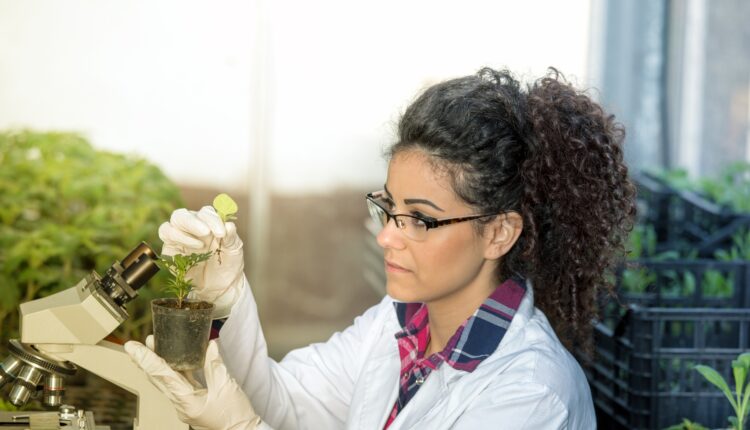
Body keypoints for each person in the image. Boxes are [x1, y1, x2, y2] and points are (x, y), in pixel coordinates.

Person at [124, 67, 636, 429]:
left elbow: (252, 416)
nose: (387, 235)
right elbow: (287, 405)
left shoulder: (529, 396)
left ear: (500, 232)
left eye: (421, 219)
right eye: (388, 207)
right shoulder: (399, 324)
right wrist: (226, 297)